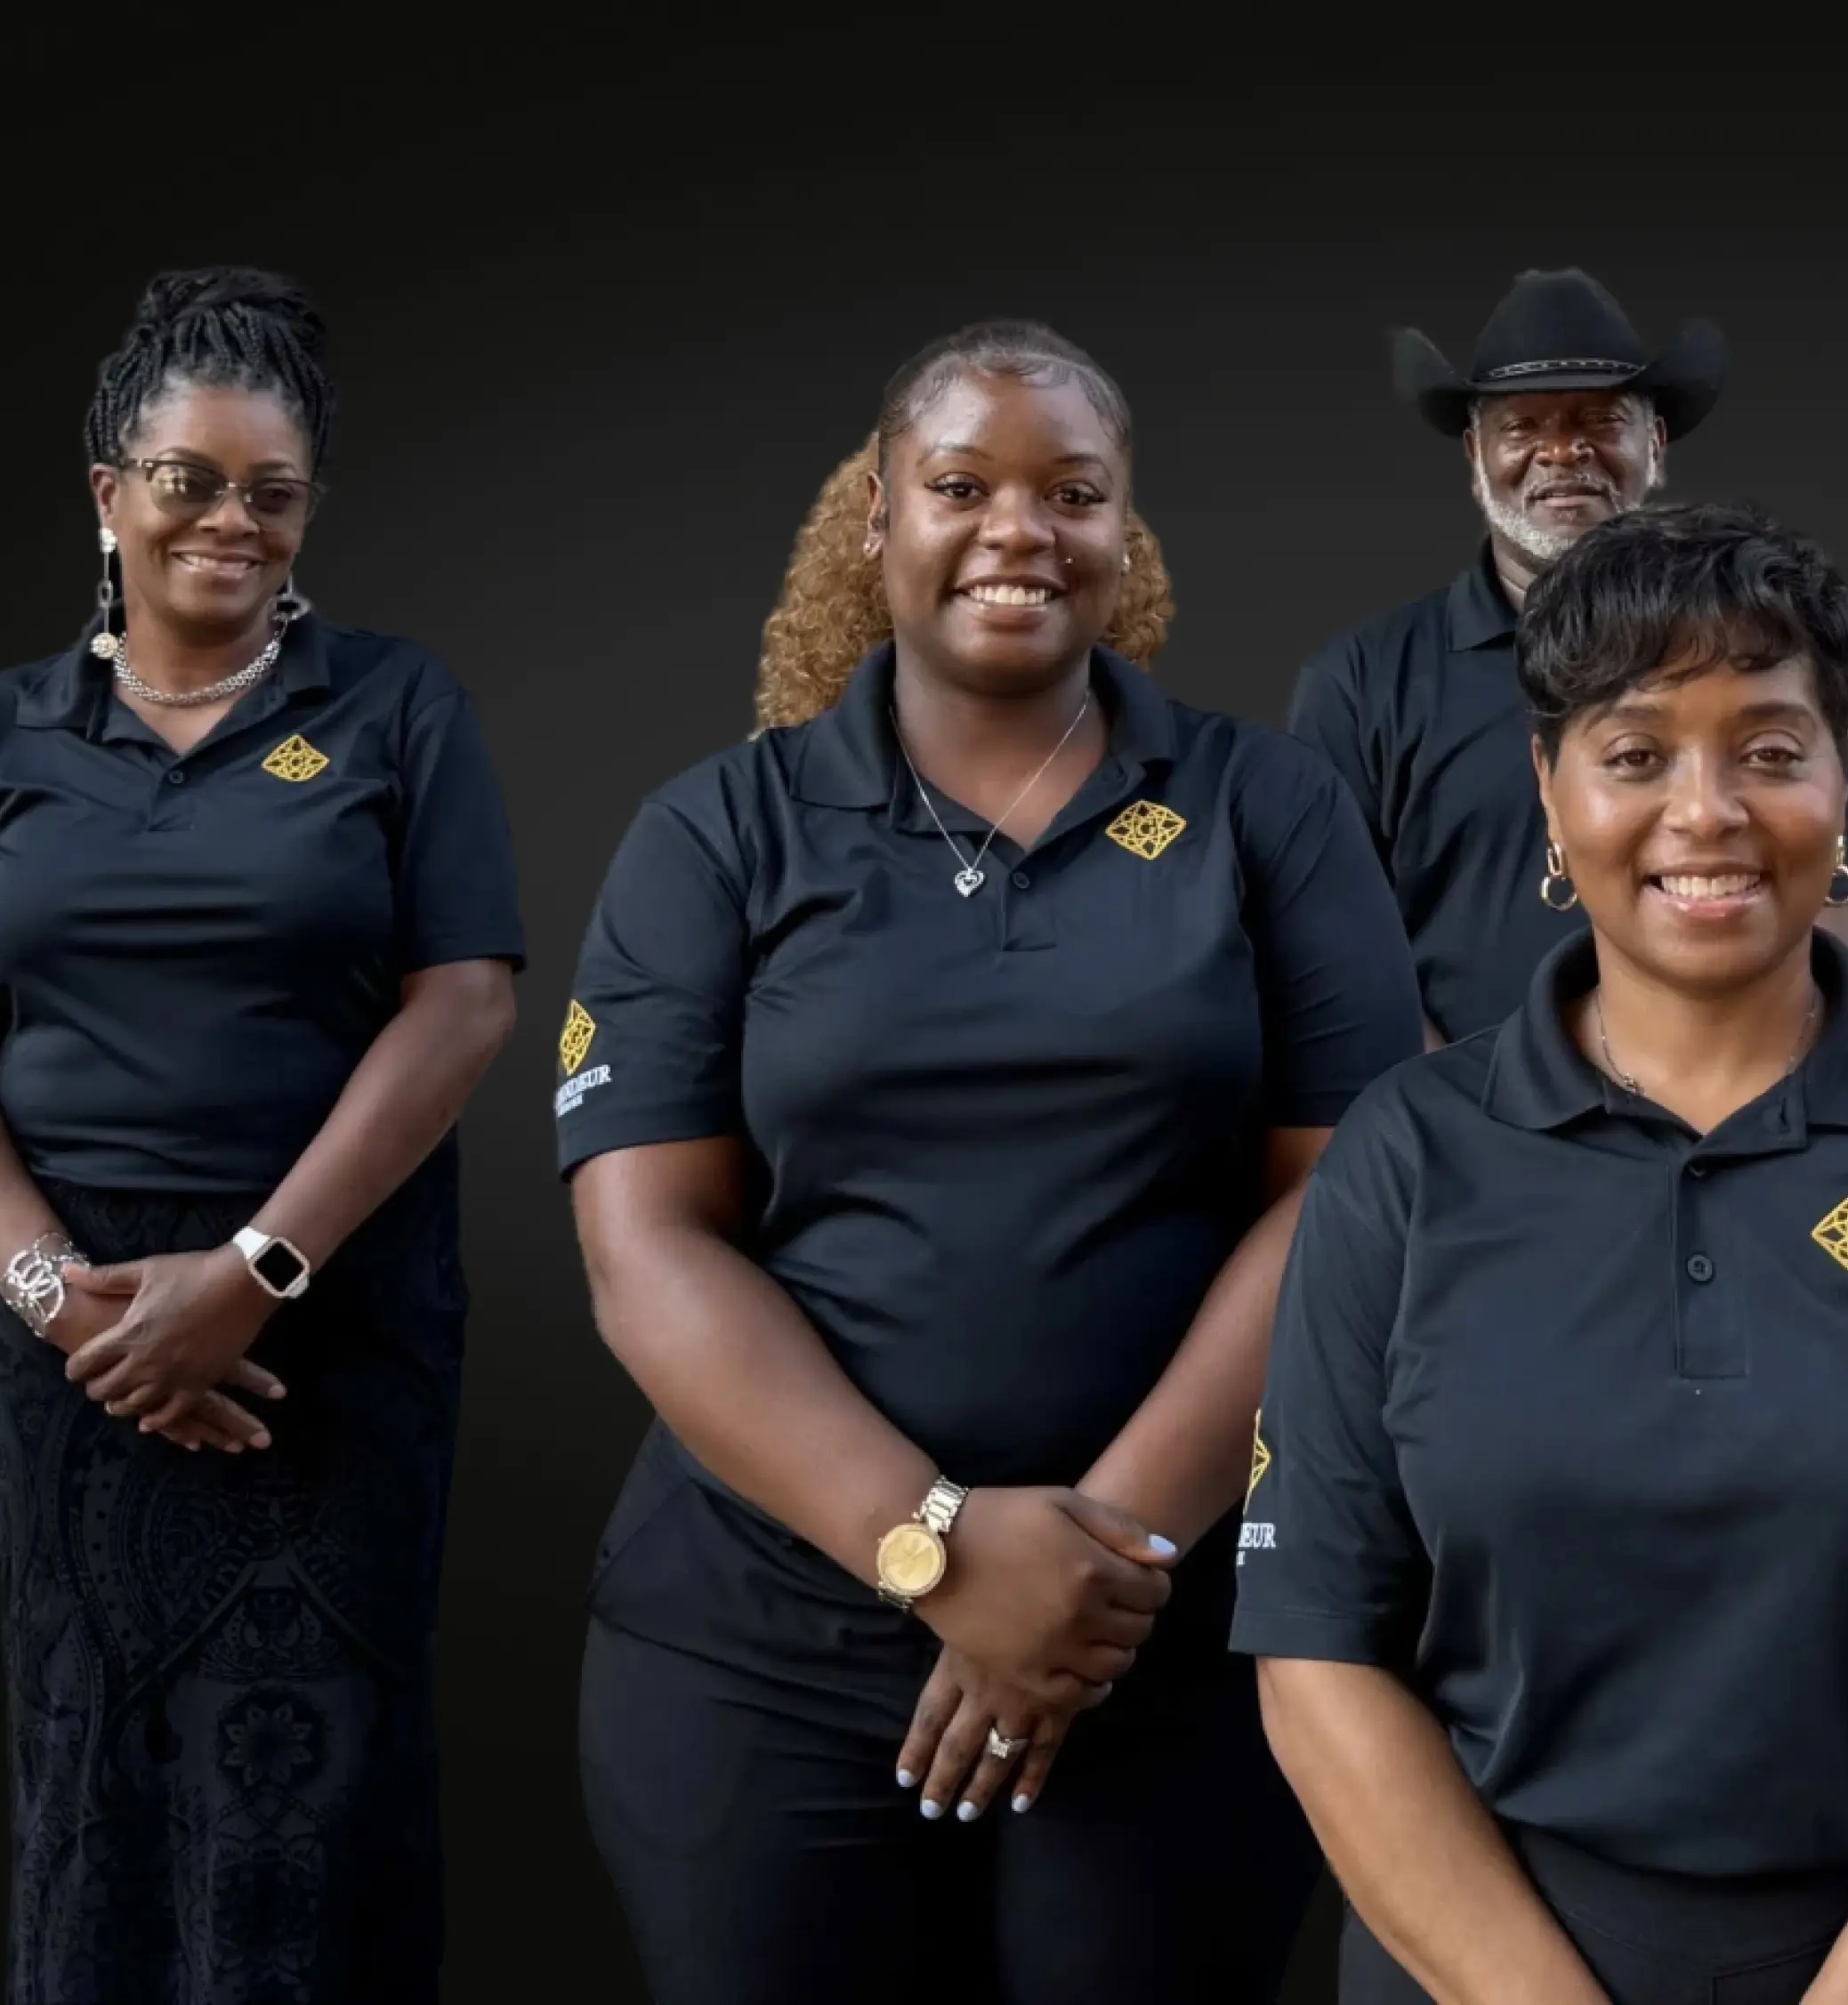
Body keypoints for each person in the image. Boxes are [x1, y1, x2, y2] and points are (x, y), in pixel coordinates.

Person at [557, 317, 1423, 2003]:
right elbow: (646, 1246)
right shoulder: (717, 831)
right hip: (760, 1650)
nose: (1018, 529)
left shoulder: (1268, 808)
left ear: (1123, 535)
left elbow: (1350, 1194)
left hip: (1160, 1651)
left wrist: (1097, 1564)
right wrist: (940, 1550)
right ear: (875, 521)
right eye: (961, 484)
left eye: (1071, 493)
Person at [1237, 502, 1848, 2005]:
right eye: (1633, 754)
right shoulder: (1402, 1156)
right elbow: (1315, 1653)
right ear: (1549, 802)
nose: (1707, 811)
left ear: (1841, 781)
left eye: (1768, 746)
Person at [0, 267, 525, 2004]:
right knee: (93, 1772)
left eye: (272, 492)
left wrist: (258, 1267)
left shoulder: (394, 706)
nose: (232, 519)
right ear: (106, 489)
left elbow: (461, 1005)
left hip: (327, 1321)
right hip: (68, 1341)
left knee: (305, 1790)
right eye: (190, 479)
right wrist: (48, 1291)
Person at [1289, 267, 1848, 1044]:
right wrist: (1467, 1123)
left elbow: (1847, 910)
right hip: (1466, 1137)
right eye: (1524, 427)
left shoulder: (1770, 652)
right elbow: (1331, 952)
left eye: (1598, 421)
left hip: (1740, 1119)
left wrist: (1731, 1092)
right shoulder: (1358, 685)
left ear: (1654, 444)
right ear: (1475, 455)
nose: (1562, 452)